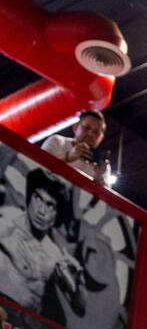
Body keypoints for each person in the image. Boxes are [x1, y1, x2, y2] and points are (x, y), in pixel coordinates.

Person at [0, 167, 85, 316]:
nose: (41, 211)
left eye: (50, 205)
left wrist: (76, 286)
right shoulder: (6, 224)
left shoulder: (54, 254)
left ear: (58, 213)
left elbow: (80, 309)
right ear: (29, 197)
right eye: (38, 198)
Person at [41, 110, 112, 186]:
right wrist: (69, 156)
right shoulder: (56, 141)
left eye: (96, 132)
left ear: (100, 138)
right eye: (87, 128)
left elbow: (106, 196)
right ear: (75, 127)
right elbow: (37, 163)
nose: (90, 134)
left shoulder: (102, 166)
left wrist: (99, 177)